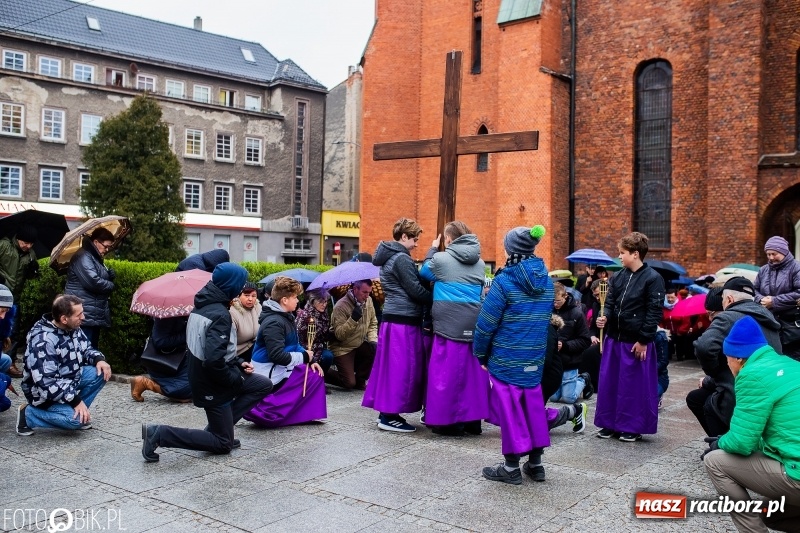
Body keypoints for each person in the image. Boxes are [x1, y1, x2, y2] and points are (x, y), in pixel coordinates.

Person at [141, 263, 273, 461]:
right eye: (239, 284)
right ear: (230, 285)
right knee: (223, 444)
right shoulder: (219, 314)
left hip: (206, 374)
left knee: (262, 385)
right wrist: (234, 378)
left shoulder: (204, 304)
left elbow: (212, 349)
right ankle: (160, 434)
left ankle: (222, 428)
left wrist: (237, 363)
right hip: (211, 381)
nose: (240, 289)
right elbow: (213, 361)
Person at [702, 316, 800, 533]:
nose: (728, 366)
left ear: (737, 358)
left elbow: (741, 443)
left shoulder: (752, 375)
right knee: (771, 514)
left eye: (727, 360)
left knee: (715, 461)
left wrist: (720, 443)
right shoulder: (790, 365)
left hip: (797, 473)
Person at [473, 225, 553, 485]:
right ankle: (536, 463)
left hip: (507, 357)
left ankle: (510, 467)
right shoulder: (547, 280)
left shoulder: (505, 280)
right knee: (533, 407)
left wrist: (481, 353)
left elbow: (486, 323)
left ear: (510, 248)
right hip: (534, 357)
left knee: (511, 412)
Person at [418, 221, 489, 436]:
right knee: (471, 375)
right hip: (472, 324)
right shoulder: (480, 262)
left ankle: (447, 422)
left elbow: (424, 272)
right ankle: (472, 421)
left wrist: (432, 248)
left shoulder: (440, 259)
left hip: (447, 326)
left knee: (445, 375)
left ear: (448, 239)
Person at [132, 249, 230, 403]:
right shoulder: (171, 309)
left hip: (183, 358)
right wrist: (188, 333)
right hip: (168, 362)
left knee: (199, 387)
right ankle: (146, 383)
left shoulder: (191, 307)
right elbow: (160, 341)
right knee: (186, 391)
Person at [688, 277, 782, 438]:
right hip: (773, 390)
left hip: (742, 391)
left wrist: (713, 374)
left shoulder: (729, 316)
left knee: (703, 402)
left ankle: (725, 445)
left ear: (729, 299)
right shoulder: (768, 316)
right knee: (698, 396)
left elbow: (704, 347)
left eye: (723, 300)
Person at [362, 218, 432, 433]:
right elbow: (415, 291)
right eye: (414, 239)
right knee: (402, 369)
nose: (416, 244)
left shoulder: (388, 257)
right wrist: (437, 297)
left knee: (391, 368)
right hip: (404, 320)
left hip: (394, 317)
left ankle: (387, 412)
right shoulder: (401, 258)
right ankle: (389, 415)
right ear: (403, 236)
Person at [594, 232, 665, 442]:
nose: (619, 257)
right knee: (610, 383)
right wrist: (604, 317)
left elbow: (654, 312)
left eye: (622, 253)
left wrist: (644, 340)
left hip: (635, 342)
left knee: (632, 387)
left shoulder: (653, 278)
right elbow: (609, 303)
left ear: (635, 254)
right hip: (615, 338)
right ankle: (609, 423)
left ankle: (631, 426)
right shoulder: (619, 276)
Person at [16, 295, 112, 435]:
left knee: (102, 372)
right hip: (43, 394)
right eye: (79, 315)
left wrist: (99, 359)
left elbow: (86, 349)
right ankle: (28, 415)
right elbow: (47, 384)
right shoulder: (43, 341)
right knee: (76, 421)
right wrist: (75, 400)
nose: (83, 317)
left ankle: (78, 412)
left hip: (69, 379)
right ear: (64, 319)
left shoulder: (72, 327)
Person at [244, 277, 327, 428]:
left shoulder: (285, 316)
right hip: (269, 374)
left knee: (315, 374)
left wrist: (312, 360)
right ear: (284, 300)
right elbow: (276, 355)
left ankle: (297, 415)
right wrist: (303, 357)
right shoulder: (274, 322)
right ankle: (272, 412)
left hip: (279, 369)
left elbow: (294, 345)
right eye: (295, 297)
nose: (297, 301)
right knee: (311, 378)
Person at [64, 228, 116, 349]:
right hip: (83, 313)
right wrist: (111, 285)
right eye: (106, 246)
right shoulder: (83, 257)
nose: (107, 250)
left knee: (91, 350)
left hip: (91, 313)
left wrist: (108, 275)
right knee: (84, 350)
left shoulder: (94, 257)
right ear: (96, 242)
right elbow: (94, 282)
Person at [0, 225, 38, 377]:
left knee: (12, 330)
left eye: (31, 244)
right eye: (25, 243)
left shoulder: (30, 254)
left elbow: (29, 276)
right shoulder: (3, 245)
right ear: (18, 239)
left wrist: (33, 271)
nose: (27, 246)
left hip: (14, 297)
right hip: (0, 292)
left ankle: (9, 362)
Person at [754, 235, 800, 360]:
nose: (771, 257)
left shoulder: (796, 268)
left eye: (774, 254)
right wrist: (760, 299)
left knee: (792, 358)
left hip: (791, 324)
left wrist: (775, 301)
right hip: (769, 321)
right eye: (768, 254)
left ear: (784, 251)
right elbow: (755, 290)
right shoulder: (763, 270)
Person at [327, 280, 377, 390]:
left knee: (373, 349)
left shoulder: (368, 301)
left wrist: (373, 339)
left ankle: (360, 380)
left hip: (358, 342)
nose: (367, 296)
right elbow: (340, 335)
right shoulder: (340, 306)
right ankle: (324, 373)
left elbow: (373, 323)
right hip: (342, 347)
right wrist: (353, 319)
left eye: (369, 292)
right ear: (355, 289)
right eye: (364, 292)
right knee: (349, 383)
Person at [550, 282, 592, 404]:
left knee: (569, 399)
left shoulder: (577, 313)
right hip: (554, 362)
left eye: (558, 301)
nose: (555, 304)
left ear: (565, 296)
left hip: (570, 360)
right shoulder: (547, 311)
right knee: (553, 398)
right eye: (552, 301)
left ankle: (583, 379)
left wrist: (565, 345)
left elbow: (585, 340)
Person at [296, 290, 334, 373]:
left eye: (326, 301)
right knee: (326, 356)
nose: (324, 304)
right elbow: (299, 339)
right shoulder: (304, 316)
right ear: (313, 301)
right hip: (305, 347)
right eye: (321, 302)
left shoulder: (324, 315)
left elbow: (324, 336)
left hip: (319, 346)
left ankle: (320, 377)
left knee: (328, 356)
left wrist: (333, 332)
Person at [230, 282, 262, 362]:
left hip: (254, 347)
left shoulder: (257, 306)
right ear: (239, 295)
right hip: (237, 354)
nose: (250, 299)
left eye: (253, 296)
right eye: (246, 295)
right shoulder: (232, 312)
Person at [660, 287, 693, 360]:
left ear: (676, 296)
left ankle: (680, 356)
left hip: (679, 331)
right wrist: (662, 330)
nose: (670, 299)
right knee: (668, 346)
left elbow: (686, 320)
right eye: (668, 297)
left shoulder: (681, 305)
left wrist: (681, 330)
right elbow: (661, 320)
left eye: (672, 297)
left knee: (680, 344)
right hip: (668, 331)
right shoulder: (663, 307)